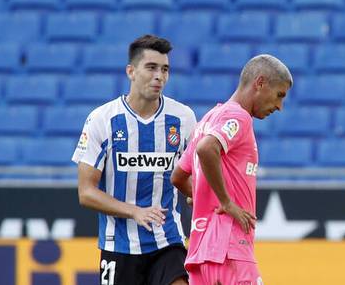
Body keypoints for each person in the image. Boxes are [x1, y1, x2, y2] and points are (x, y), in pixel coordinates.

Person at [72, 35, 197, 285]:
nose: (159, 76)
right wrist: (134, 212)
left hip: (167, 241)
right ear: (131, 71)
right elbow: (86, 192)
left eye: (165, 69)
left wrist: (202, 196)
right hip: (119, 246)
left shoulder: (183, 118)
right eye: (151, 68)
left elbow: (193, 179)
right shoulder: (102, 120)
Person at [171, 54, 292, 285]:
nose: (279, 106)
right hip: (231, 249)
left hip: (200, 253)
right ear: (260, 83)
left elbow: (178, 176)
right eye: (279, 95)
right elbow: (207, 149)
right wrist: (226, 202)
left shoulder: (207, 120)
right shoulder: (239, 117)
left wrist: (201, 195)